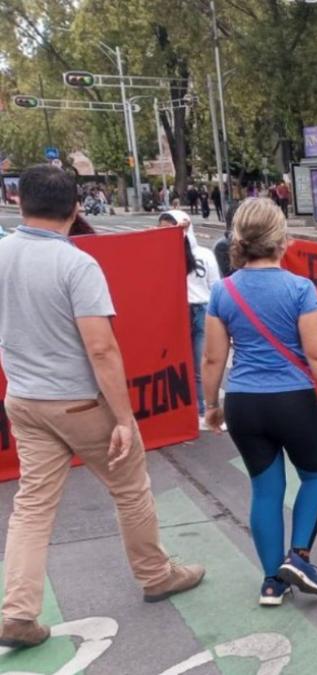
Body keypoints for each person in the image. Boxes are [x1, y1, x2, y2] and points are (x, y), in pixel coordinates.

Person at [0, 165, 204, 647]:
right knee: (130, 488)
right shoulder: (77, 265)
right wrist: (123, 417)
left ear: (19, 204)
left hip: (24, 399)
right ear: (75, 208)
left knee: (32, 506)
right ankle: (156, 575)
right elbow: (102, 348)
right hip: (78, 402)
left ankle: (18, 609)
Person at [202, 197, 317, 605]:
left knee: (265, 489)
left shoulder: (223, 290)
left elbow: (214, 357)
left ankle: (272, 582)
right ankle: (299, 556)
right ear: (281, 239)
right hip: (292, 399)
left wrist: (210, 406)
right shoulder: (300, 289)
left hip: (244, 403)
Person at [158, 210, 222, 429]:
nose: (169, 233)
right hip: (175, 313)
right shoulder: (162, 254)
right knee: (175, 365)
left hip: (202, 311)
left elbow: (215, 286)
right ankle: (180, 410)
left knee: (201, 362)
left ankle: (205, 410)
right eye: (163, 228)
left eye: (174, 227)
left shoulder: (204, 254)